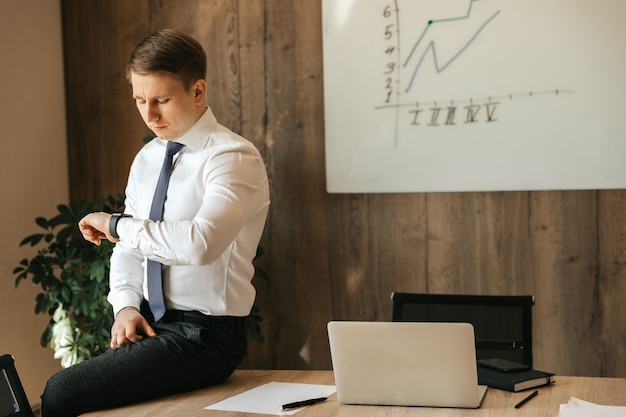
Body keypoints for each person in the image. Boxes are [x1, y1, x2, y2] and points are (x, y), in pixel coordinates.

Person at [40, 29, 270, 416]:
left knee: (61, 393)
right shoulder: (147, 159)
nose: (149, 115)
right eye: (139, 100)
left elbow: (200, 244)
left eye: (161, 100)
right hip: (149, 322)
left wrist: (115, 225)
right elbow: (131, 247)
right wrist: (126, 308)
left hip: (206, 337)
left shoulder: (233, 157)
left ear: (198, 91)